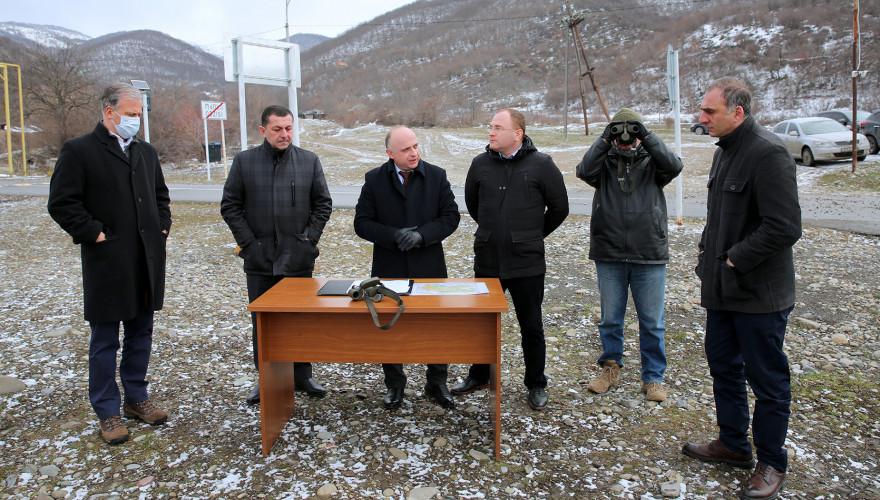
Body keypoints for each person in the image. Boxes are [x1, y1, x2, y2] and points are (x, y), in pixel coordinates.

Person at [682, 77, 801, 500]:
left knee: (768, 381)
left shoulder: (767, 154)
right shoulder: (725, 152)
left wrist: (734, 258)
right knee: (724, 369)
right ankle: (733, 444)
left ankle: (771, 462)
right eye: (702, 110)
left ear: (738, 112)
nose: (701, 119)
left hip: (759, 295)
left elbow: (784, 227)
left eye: (709, 112)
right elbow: (721, 220)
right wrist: (707, 259)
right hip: (722, 292)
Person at [48, 83, 171, 445]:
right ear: (109, 113)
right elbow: (62, 202)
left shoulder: (145, 152)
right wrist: (95, 233)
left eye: (139, 115)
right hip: (107, 261)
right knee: (105, 340)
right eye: (131, 114)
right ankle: (108, 411)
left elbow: (160, 195)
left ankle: (136, 398)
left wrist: (161, 225)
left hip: (145, 258)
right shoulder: (80, 150)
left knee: (140, 333)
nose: (136, 121)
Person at [455, 108, 569, 410]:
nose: (490, 132)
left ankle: (536, 383)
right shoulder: (480, 164)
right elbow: (473, 204)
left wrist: (531, 235)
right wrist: (494, 232)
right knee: (482, 323)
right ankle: (480, 375)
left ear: (517, 134)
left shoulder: (542, 165)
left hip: (527, 263)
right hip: (489, 259)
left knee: (531, 325)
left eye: (497, 127)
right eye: (490, 126)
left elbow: (560, 208)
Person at [221, 105, 333, 405]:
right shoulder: (245, 162)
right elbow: (230, 206)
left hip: (298, 258)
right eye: (277, 129)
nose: (284, 134)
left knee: (299, 319)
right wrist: (249, 244)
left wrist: (308, 240)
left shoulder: (309, 161)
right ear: (263, 131)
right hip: (259, 260)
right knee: (264, 321)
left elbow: (323, 205)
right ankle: (267, 378)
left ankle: (302, 374)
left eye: (288, 128)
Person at [575, 108, 683, 402]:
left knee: (652, 321)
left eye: (630, 134)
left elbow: (674, 166)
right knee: (610, 318)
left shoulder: (653, 161)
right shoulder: (604, 163)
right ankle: (610, 368)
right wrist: (603, 138)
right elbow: (583, 170)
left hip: (649, 251)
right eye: (620, 135)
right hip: (609, 251)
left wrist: (646, 135)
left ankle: (653, 378)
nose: (625, 141)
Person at [353, 126, 461, 410]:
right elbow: (361, 223)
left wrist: (422, 235)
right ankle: (395, 384)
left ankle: (437, 381)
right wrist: (392, 236)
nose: (413, 153)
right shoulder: (374, 180)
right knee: (390, 325)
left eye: (415, 146)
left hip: (429, 266)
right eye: (405, 149)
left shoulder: (436, 176)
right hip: (389, 266)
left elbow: (451, 217)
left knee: (436, 327)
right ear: (390, 154)